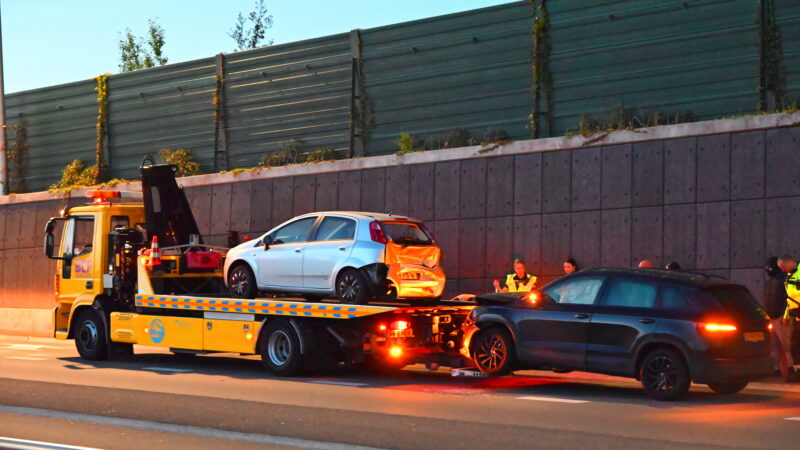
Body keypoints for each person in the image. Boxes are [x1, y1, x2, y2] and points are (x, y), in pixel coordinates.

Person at [765, 257, 794, 380]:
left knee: (786, 345)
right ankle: (776, 368)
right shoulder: (771, 282)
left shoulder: (784, 280)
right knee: (775, 345)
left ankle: (791, 369)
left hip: (782, 318)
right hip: (773, 317)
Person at [777, 255, 800, 381]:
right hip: (795, 314)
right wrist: (786, 315)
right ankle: (798, 370)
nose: (783, 270)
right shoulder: (789, 276)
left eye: (783, 267)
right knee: (795, 344)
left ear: (790, 263)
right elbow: (790, 299)